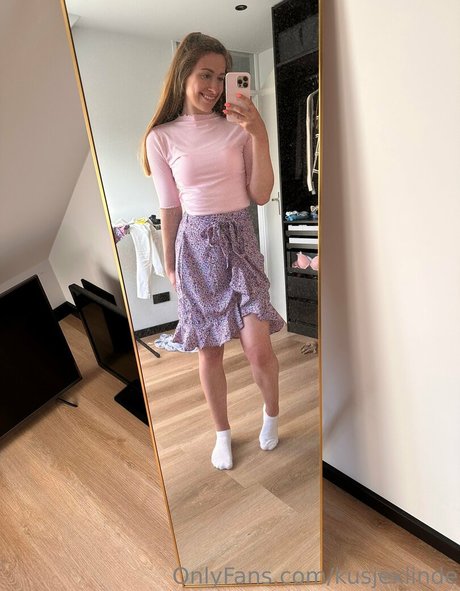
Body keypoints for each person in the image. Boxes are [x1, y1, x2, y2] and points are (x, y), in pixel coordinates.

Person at [140, 32, 284, 470]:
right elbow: (170, 207)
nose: (215, 87)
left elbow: (261, 194)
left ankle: (271, 415)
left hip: (240, 241)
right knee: (210, 351)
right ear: (184, 73)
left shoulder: (239, 129)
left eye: (222, 77)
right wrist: (170, 264)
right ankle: (222, 433)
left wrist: (259, 133)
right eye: (207, 75)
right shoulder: (161, 138)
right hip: (196, 249)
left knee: (258, 348)